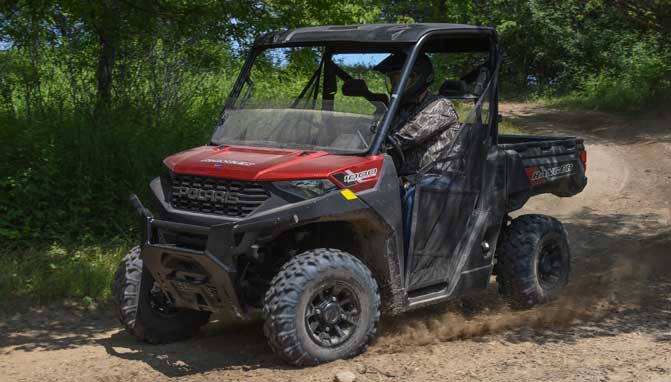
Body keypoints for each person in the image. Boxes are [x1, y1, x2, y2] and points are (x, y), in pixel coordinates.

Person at [375, 52, 461, 175]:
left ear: (419, 78)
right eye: (393, 81)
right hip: (402, 177)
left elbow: (401, 139)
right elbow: (379, 130)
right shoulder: (403, 106)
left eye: (401, 80)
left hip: (432, 181)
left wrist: (367, 144)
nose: (396, 86)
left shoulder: (439, 105)